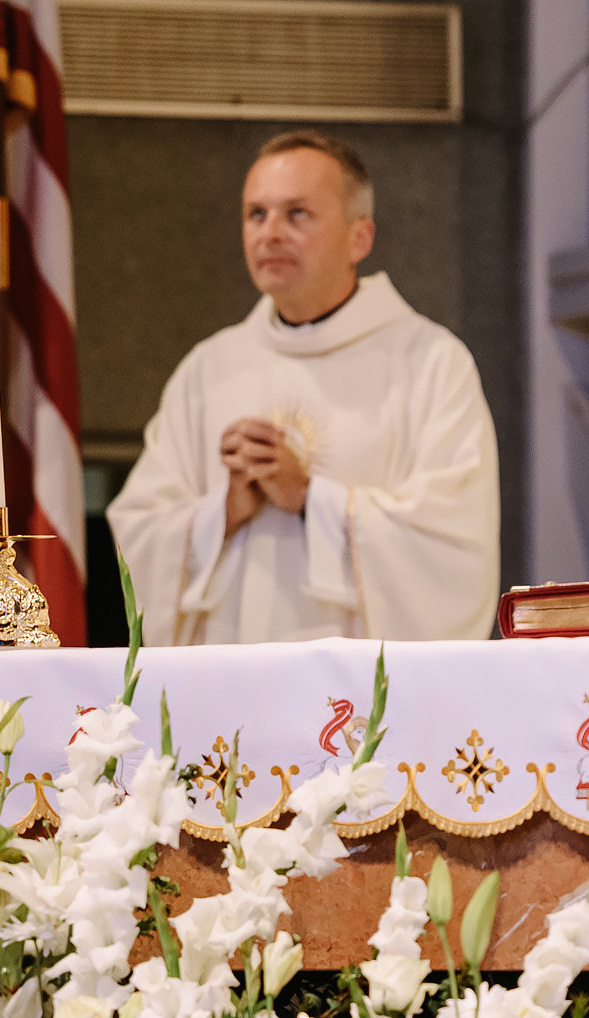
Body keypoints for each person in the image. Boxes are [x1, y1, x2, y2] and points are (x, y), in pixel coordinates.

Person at [108, 130, 500, 644]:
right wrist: (225, 510)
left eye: (296, 214)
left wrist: (312, 498)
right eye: (256, 214)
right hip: (230, 679)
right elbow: (138, 528)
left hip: (360, 695)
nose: (270, 233)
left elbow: (453, 545)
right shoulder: (209, 369)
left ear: (360, 237)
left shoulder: (430, 364)